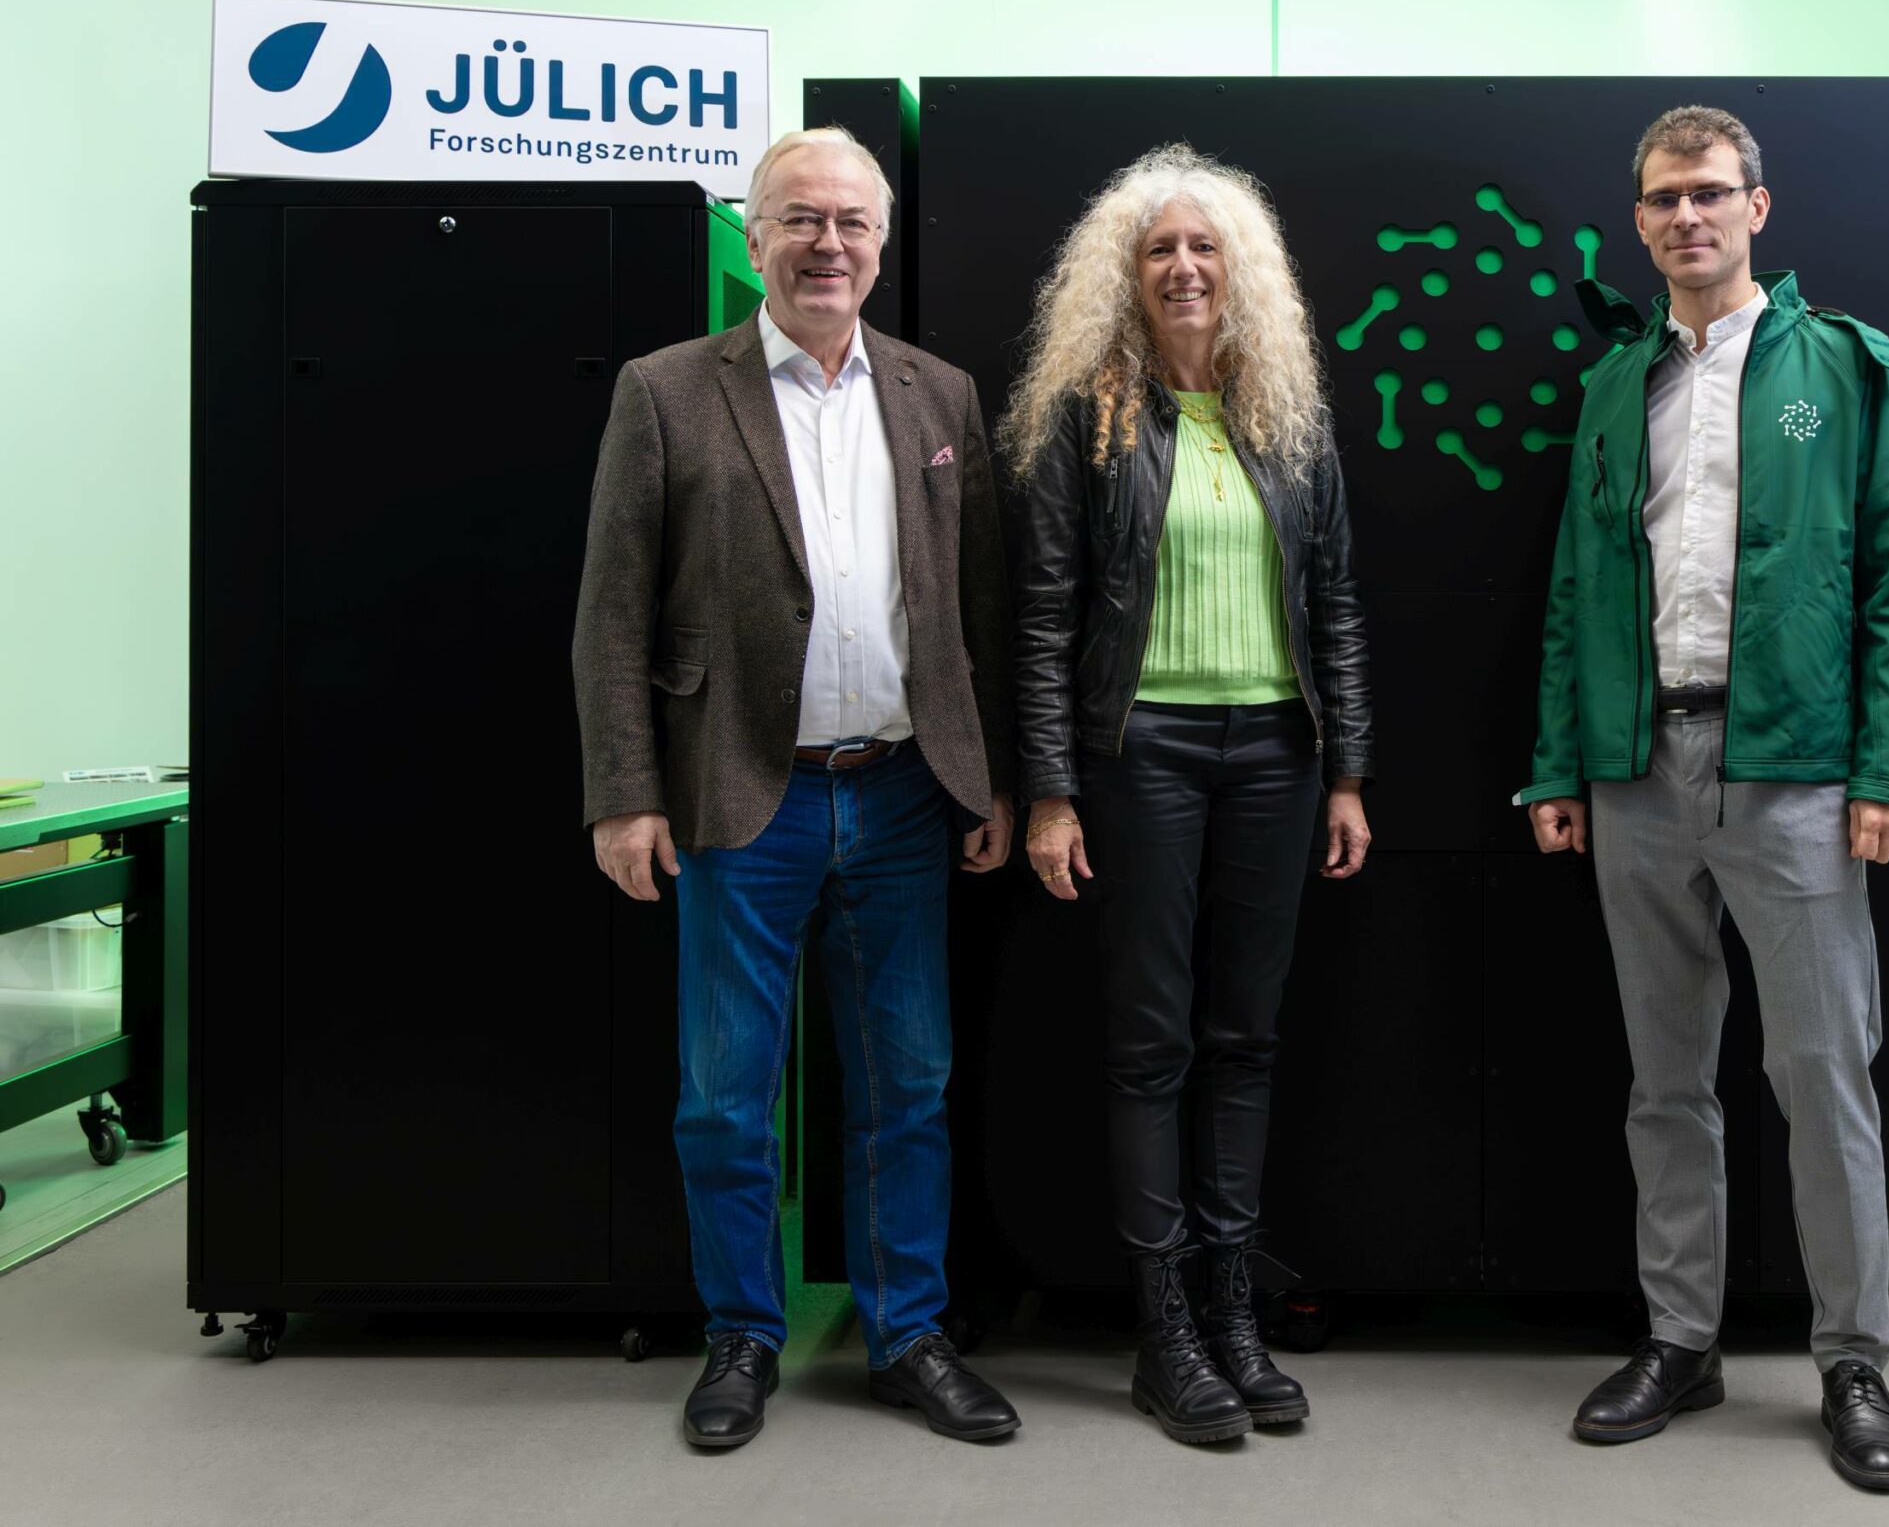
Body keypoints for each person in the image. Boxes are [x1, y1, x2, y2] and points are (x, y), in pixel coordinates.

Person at [572, 126, 1022, 1449]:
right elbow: (610, 614)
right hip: (734, 795)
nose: (828, 244)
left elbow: (977, 606)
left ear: (881, 244)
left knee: (909, 1084)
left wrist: (985, 781)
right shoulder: (666, 391)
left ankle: (908, 1334)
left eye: (852, 223)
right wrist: (622, 792)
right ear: (755, 237)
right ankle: (741, 1338)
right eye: (800, 219)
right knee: (725, 1092)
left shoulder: (939, 396)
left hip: (901, 797)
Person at [1520, 106, 1889, 1492]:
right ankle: (1681, 1342)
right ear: (1638, 221)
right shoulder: (1614, 385)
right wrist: (1556, 764)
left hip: (1797, 774)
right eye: (1660, 200)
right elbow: (1580, 591)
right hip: (1637, 772)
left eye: (1708, 193)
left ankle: (1854, 1363)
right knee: (1665, 1079)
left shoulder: (1842, 367)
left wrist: (1888, 771)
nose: (1684, 218)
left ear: (1759, 206)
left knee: (1821, 1075)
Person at [1004, 143, 1375, 1445]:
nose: (1182, 266)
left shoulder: (1288, 419)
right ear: (1128, 272)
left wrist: (1347, 773)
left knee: (1247, 1040)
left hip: (1275, 758)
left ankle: (1231, 1313)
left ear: (1240, 272)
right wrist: (1050, 795)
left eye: (1204, 247)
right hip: (1141, 760)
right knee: (1153, 1043)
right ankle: (1165, 1334)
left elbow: (1333, 607)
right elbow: (1044, 620)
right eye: (1160, 248)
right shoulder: (1083, 418)